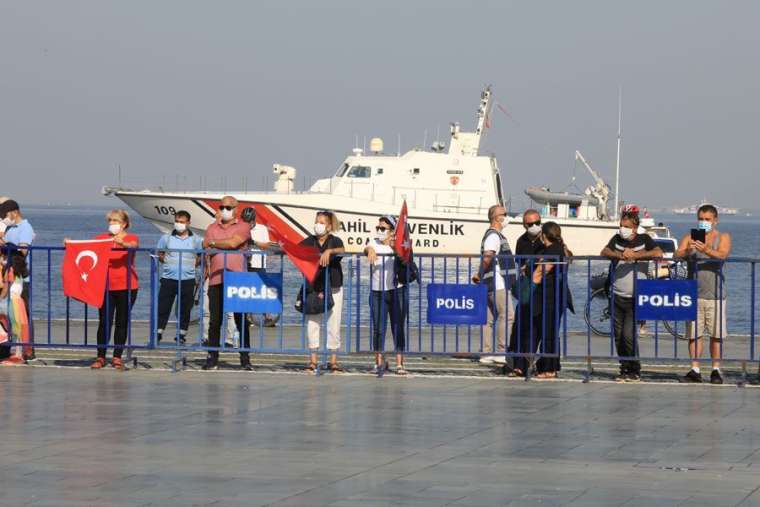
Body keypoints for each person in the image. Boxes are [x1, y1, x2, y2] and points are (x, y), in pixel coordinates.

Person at [601, 209, 663, 381]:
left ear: (635, 228)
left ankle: (634, 368)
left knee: (629, 334)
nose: (623, 229)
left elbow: (658, 253)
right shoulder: (616, 239)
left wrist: (636, 256)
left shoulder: (644, 239)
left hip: (635, 296)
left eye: (626, 226)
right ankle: (624, 367)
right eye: (621, 226)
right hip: (616, 295)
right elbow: (604, 251)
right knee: (618, 334)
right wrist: (620, 255)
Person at [677, 204, 731, 384]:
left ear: (715, 220)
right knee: (694, 334)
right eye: (701, 219)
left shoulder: (723, 237)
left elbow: (723, 254)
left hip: (715, 294)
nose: (704, 222)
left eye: (707, 219)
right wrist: (689, 250)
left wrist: (705, 249)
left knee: (716, 335)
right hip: (693, 293)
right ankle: (695, 369)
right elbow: (677, 255)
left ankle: (715, 370)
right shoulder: (690, 237)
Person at [202, 196, 253, 370]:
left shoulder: (244, 226)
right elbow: (205, 247)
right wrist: (214, 245)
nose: (225, 209)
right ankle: (212, 357)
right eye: (222, 206)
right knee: (215, 321)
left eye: (228, 207)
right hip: (216, 278)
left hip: (238, 280)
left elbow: (234, 242)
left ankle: (245, 359)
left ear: (236, 209)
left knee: (241, 321)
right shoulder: (211, 227)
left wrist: (215, 242)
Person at [91, 209, 139, 370]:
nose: (112, 224)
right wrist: (69, 244)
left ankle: (117, 356)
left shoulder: (131, 237)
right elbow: (87, 248)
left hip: (127, 286)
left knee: (121, 322)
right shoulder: (101, 238)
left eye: (115, 221)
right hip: (105, 286)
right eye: (110, 221)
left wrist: (122, 243)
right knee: (104, 321)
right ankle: (100, 356)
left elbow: (133, 245)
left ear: (124, 224)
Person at [299, 211, 345, 371]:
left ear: (329, 226)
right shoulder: (309, 241)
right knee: (312, 322)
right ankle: (313, 360)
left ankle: (333, 360)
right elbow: (297, 251)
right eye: (317, 221)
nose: (318, 225)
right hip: (314, 286)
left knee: (334, 322)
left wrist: (329, 251)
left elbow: (342, 250)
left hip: (333, 286)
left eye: (322, 222)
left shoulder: (334, 240)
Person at [365, 215, 409, 375]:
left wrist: (396, 248)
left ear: (392, 231)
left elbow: (406, 260)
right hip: (377, 291)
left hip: (397, 290)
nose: (379, 231)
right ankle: (378, 362)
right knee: (378, 328)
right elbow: (366, 248)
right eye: (378, 228)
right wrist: (369, 249)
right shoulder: (373, 242)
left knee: (397, 327)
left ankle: (399, 363)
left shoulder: (399, 244)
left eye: (383, 228)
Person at [528, 222, 574, 378]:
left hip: (550, 296)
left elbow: (541, 272)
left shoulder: (552, 250)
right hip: (557, 295)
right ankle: (549, 366)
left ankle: (549, 368)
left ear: (544, 235)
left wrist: (525, 290)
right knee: (551, 331)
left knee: (548, 332)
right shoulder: (561, 248)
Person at [472, 204, 515, 365]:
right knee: (507, 316)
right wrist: (479, 273)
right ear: (497, 217)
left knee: (488, 318)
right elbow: (488, 256)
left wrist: (480, 275)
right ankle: (501, 351)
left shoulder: (495, 235)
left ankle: (486, 352)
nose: (506, 217)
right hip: (497, 283)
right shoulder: (494, 236)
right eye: (504, 214)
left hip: (490, 283)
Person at [155, 210, 203, 345]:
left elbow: (201, 255)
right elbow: (160, 253)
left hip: (188, 279)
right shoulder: (167, 237)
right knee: (163, 307)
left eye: (182, 222)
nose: (178, 224)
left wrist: (194, 264)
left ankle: (181, 334)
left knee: (185, 308)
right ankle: (158, 332)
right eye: (177, 221)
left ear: (188, 223)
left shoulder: (196, 239)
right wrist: (168, 263)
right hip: (168, 278)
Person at [509, 209, 544, 376]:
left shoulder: (546, 239)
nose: (535, 226)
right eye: (531, 224)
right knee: (519, 327)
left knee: (537, 329)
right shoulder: (521, 241)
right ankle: (518, 364)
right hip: (526, 289)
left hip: (543, 290)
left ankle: (533, 364)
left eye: (538, 222)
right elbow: (519, 265)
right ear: (524, 225)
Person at [0, 199, 36, 358]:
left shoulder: (25, 227)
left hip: (20, 277)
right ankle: (7, 348)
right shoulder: (10, 227)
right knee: (8, 313)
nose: (4, 218)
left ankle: (26, 350)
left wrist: (6, 245)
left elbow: (23, 251)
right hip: (8, 275)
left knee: (22, 314)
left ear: (14, 212)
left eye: (6, 215)